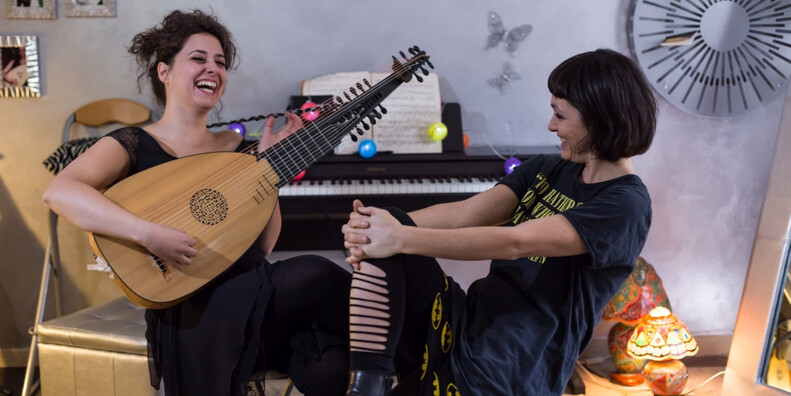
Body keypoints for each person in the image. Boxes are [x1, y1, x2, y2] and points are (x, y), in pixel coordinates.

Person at [43, 9, 351, 396]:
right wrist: (149, 234)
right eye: (199, 58)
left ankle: (419, 365)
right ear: (164, 71)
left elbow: (261, 247)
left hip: (253, 296)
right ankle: (426, 344)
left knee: (331, 367)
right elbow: (60, 192)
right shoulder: (135, 143)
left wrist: (269, 175)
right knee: (316, 273)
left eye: (220, 63)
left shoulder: (239, 149)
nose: (214, 69)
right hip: (192, 311)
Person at [341, 48, 656, 396]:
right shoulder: (549, 169)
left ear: (600, 119)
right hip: (469, 321)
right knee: (339, 264)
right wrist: (374, 229)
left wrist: (398, 238)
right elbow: (467, 213)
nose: (551, 125)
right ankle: (368, 385)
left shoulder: (625, 204)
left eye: (560, 115)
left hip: (513, 363)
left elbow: (515, 241)